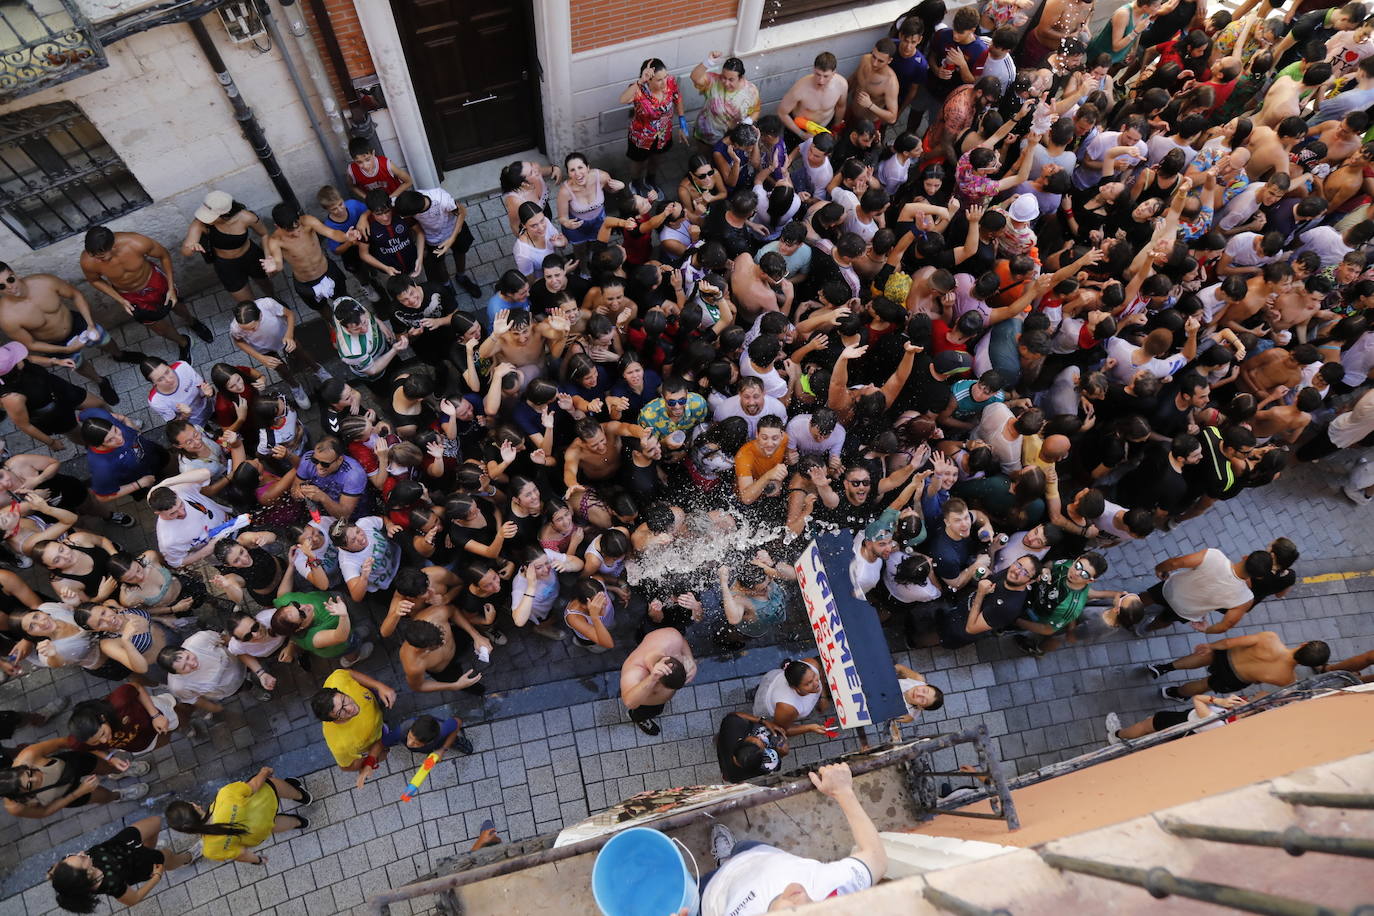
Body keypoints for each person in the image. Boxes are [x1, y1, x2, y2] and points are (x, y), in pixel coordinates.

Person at [702, 763, 886, 915]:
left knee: (686, 893)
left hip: (708, 897)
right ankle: (731, 856)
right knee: (742, 849)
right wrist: (843, 791)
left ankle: (723, 864)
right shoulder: (833, 889)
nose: (803, 897)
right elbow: (876, 859)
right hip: (755, 855)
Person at [0, 262, 128, 404]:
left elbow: (76, 295)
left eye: (10, 279)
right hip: (55, 343)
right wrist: (66, 349)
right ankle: (100, 381)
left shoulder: (44, 282)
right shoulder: (6, 316)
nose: (9, 287)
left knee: (104, 339)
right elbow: (31, 344)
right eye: (2, 286)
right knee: (77, 364)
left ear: (15, 274)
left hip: (77, 323)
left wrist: (90, 324)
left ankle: (119, 355)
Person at [80, 226, 209, 359]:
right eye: (94, 256)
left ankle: (192, 322)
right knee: (158, 328)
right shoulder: (88, 261)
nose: (98, 260)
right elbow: (94, 280)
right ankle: (183, 342)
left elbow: (164, 255)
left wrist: (170, 288)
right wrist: (121, 300)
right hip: (129, 296)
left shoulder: (136, 242)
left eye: (102, 257)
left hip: (155, 282)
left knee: (176, 305)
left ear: (113, 246)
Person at [164, 766, 311, 864]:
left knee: (272, 824)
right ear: (195, 806)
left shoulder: (210, 850)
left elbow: (241, 854)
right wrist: (264, 772)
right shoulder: (225, 796)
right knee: (272, 785)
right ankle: (302, 796)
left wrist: (258, 860)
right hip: (265, 800)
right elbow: (254, 785)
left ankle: (300, 823)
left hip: (259, 830)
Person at [47, 816, 196, 912]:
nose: (81, 852)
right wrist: (156, 877)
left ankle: (147, 848)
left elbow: (57, 872)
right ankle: (188, 857)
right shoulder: (111, 884)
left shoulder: (67, 871)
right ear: (86, 874)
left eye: (69, 856)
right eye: (81, 859)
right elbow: (134, 899)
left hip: (120, 844)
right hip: (138, 865)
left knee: (156, 822)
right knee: (166, 855)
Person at [1148, 632, 1331, 697]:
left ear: (1303, 644)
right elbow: (1261, 681)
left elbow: (1230, 643)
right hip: (1235, 678)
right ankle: (1174, 693)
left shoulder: (1270, 638)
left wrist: (1211, 646)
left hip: (1227, 656)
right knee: (1204, 685)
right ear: (1308, 665)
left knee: (1204, 657)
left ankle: (1164, 668)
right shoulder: (1287, 678)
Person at [0, 342, 105, 454]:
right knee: (77, 433)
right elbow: (25, 425)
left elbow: (30, 358)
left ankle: (114, 424)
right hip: (51, 414)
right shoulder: (12, 398)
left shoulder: (21, 364)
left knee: (99, 404)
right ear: (11, 369)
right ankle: (97, 447)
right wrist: (51, 442)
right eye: (17, 357)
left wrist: (55, 361)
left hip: (59, 389)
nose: (21, 355)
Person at [259, 201, 357, 316]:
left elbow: (332, 233)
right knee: (322, 309)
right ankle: (333, 326)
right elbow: (279, 264)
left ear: (298, 217)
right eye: (290, 231)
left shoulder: (308, 221)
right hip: (306, 283)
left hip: (327, 271)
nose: (296, 233)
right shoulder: (275, 240)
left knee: (344, 298)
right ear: (277, 226)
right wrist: (273, 267)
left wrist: (345, 236)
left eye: (297, 227)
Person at [310, 668, 397, 789]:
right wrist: (372, 759)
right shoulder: (340, 745)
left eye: (344, 700)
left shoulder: (337, 679)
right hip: (380, 735)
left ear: (339, 691)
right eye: (341, 712)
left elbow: (349, 674)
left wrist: (379, 686)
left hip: (375, 703)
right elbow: (346, 766)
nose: (350, 708)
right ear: (333, 720)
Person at [181, 190, 273, 304]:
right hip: (226, 266)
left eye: (211, 216)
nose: (205, 219)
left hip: (252, 256)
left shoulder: (246, 217)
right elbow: (186, 252)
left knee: (267, 287)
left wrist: (268, 257)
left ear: (225, 214)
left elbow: (264, 234)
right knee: (247, 303)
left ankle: (274, 302)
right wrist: (191, 247)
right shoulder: (200, 223)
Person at [619, 57, 686, 192]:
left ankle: (650, 180)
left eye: (665, 77)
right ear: (648, 79)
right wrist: (639, 81)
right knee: (639, 162)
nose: (664, 82)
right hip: (641, 137)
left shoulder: (670, 82)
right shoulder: (638, 89)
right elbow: (623, 99)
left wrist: (682, 123)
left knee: (656, 159)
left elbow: (678, 99)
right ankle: (636, 183)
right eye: (659, 79)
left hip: (664, 134)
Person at [619, 626, 697, 736]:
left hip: (659, 701)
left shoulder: (670, 637)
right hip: (645, 704)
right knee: (644, 712)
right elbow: (630, 702)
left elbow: (682, 641)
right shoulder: (634, 672)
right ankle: (638, 718)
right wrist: (651, 679)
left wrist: (690, 658)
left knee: (658, 710)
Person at [690, 52, 761, 148]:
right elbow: (695, 77)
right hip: (707, 134)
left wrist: (748, 121)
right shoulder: (714, 81)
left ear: (741, 78)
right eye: (724, 77)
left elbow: (756, 111)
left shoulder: (751, 91)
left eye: (731, 80)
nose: (726, 83)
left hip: (733, 139)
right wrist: (709, 61)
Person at [778, 52, 850, 146]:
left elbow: (841, 107)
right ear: (814, 69)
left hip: (824, 128)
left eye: (825, 76)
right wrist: (801, 134)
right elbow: (782, 112)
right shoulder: (800, 88)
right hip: (799, 128)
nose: (821, 80)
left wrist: (836, 128)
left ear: (833, 73)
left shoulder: (841, 85)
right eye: (818, 74)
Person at [751, 657, 832, 737]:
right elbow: (780, 729)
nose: (816, 683)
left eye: (814, 676)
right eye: (808, 683)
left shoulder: (812, 664)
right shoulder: (787, 708)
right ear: (795, 688)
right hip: (769, 699)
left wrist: (823, 697)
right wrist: (809, 728)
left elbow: (820, 671)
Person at [715, 711, 789, 782]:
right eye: (762, 743)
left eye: (757, 739)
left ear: (742, 741)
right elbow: (775, 763)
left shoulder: (732, 726)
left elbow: (734, 715)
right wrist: (781, 754)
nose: (760, 738)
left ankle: (719, 739)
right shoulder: (765, 766)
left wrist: (762, 721)